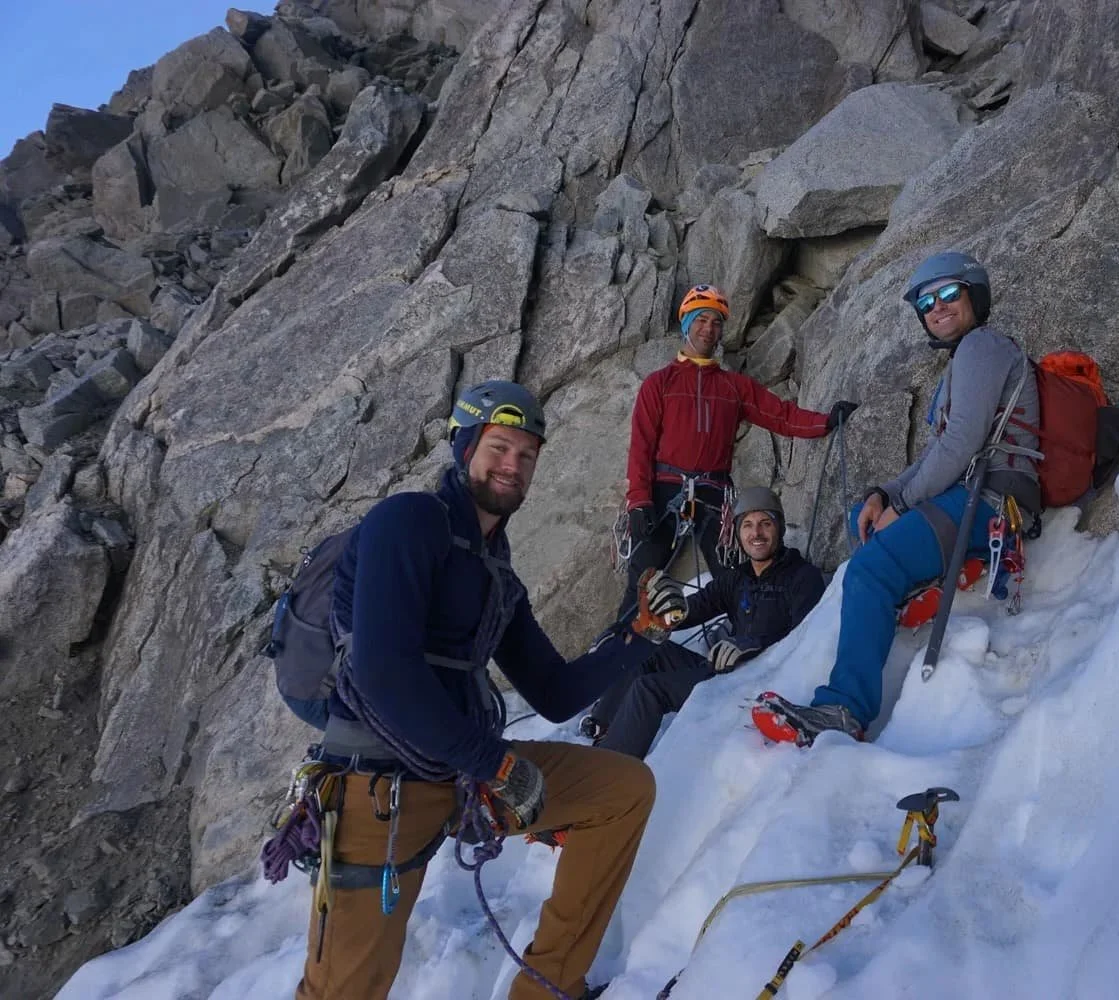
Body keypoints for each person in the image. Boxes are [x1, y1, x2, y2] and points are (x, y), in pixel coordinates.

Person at [298, 380, 686, 1000]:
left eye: (527, 454)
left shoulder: (495, 571)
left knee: (622, 790)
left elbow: (555, 692)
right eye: (499, 448)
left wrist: (638, 634)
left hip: (462, 777)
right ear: (464, 448)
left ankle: (547, 988)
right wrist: (495, 762)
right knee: (343, 990)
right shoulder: (408, 522)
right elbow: (381, 671)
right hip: (379, 786)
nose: (513, 465)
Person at [750, 252, 1041, 746]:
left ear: (976, 295)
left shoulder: (982, 347)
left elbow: (959, 446)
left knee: (868, 568)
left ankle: (844, 709)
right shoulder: (966, 360)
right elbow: (939, 453)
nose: (938, 306)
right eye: (927, 301)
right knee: (862, 519)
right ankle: (938, 576)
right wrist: (883, 494)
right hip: (974, 497)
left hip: (991, 502)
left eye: (950, 293)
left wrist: (901, 507)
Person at [617, 283, 858, 616]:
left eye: (716, 323)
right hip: (663, 490)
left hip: (713, 491)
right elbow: (641, 446)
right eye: (701, 320)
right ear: (686, 323)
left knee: (730, 576)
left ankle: (740, 643)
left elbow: (781, 415)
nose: (709, 329)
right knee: (645, 580)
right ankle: (625, 656)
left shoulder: (734, 387)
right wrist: (639, 502)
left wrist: (827, 422)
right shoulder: (659, 384)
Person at [583, 487, 824, 758]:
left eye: (765, 524)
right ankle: (601, 726)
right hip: (724, 669)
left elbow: (806, 640)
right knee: (650, 650)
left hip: (757, 681)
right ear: (738, 533)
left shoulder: (802, 577)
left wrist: (753, 645)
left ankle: (612, 770)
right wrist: (651, 618)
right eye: (747, 525)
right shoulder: (738, 579)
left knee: (649, 689)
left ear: (778, 527)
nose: (756, 534)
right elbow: (692, 609)